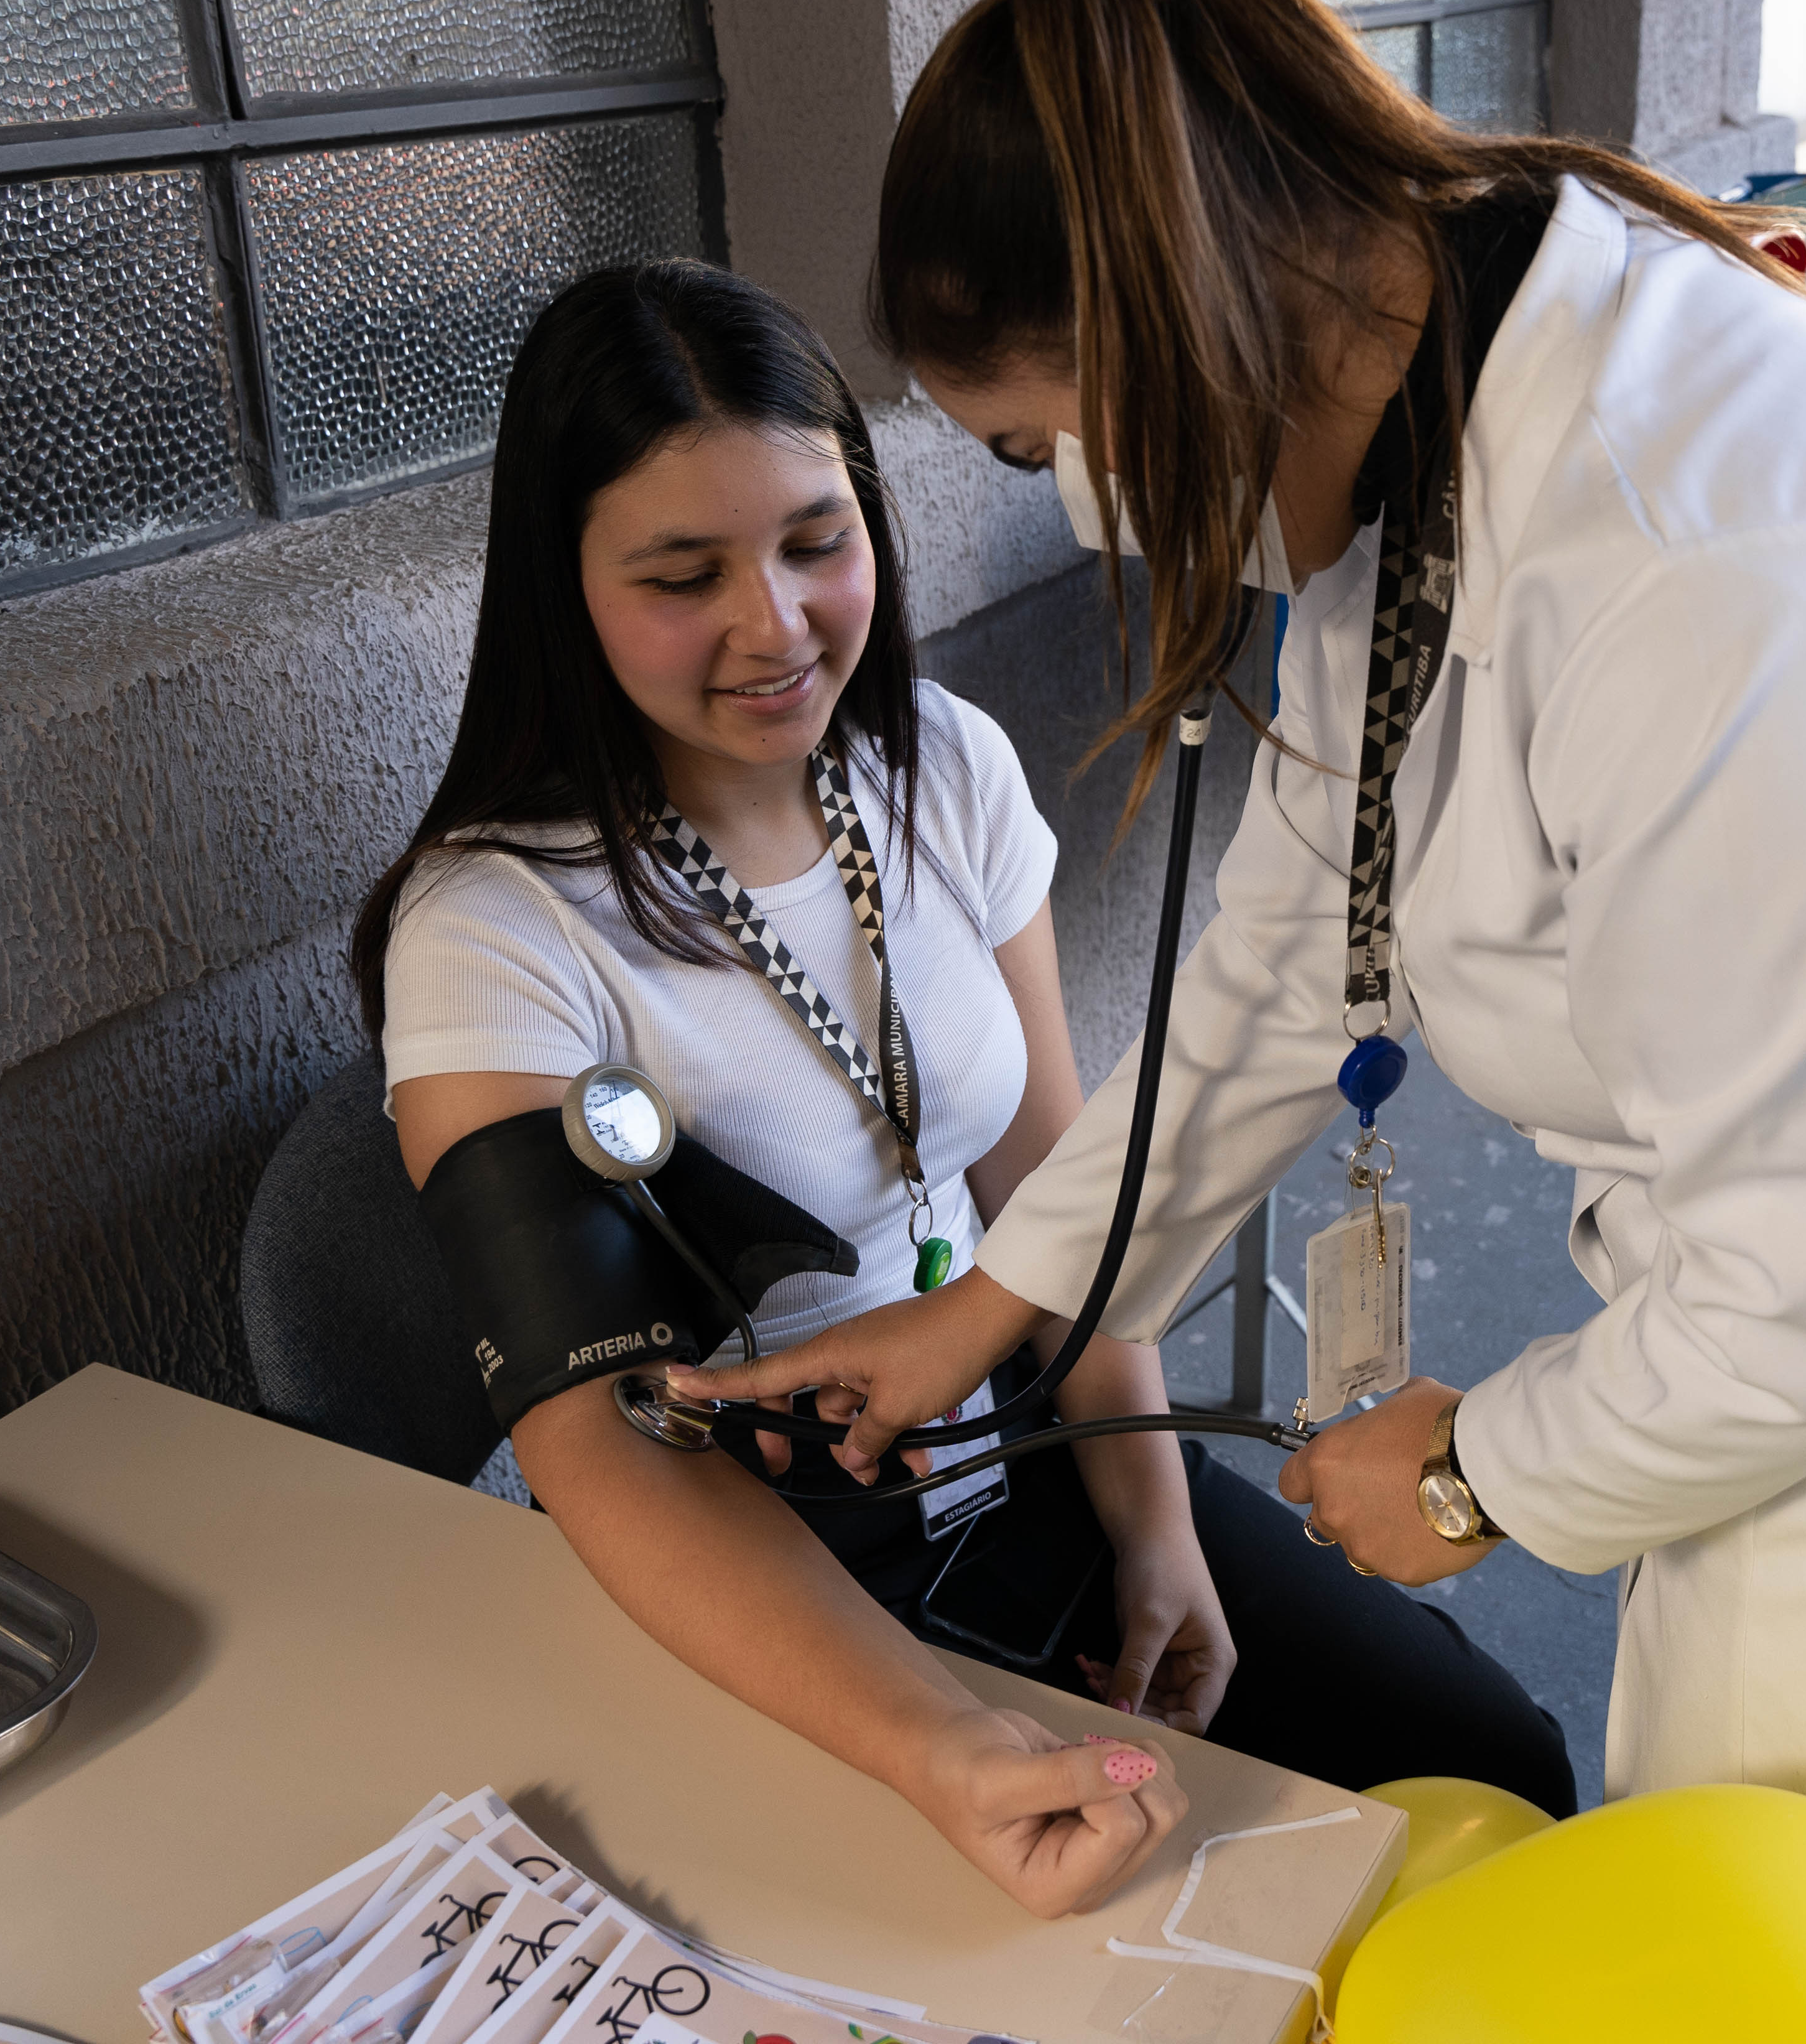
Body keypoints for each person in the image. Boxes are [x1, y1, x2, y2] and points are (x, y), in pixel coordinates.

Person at [685, 0, 1806, 2037]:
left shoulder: (1728, 554)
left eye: (1048, 442)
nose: (1088, 512)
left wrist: (1482, 1472)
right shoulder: (1451, 429)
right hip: (1792, 1341)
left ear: (1185, 317)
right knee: (1733, 1918)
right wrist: (995, 1311)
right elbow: (1300, 938)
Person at [353, 261, 1573, 1923]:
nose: (778, 626)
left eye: (813, 541)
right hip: (775, 1571)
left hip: (1039, 1455)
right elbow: (600, 1450)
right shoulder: (491, 935)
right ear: (562, 591)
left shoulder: (939, 762)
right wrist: (940, 1746)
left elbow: (1050, 1184)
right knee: (1150, 1936)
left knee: (1492, 1758)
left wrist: (1156, 1532)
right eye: (681, 574)